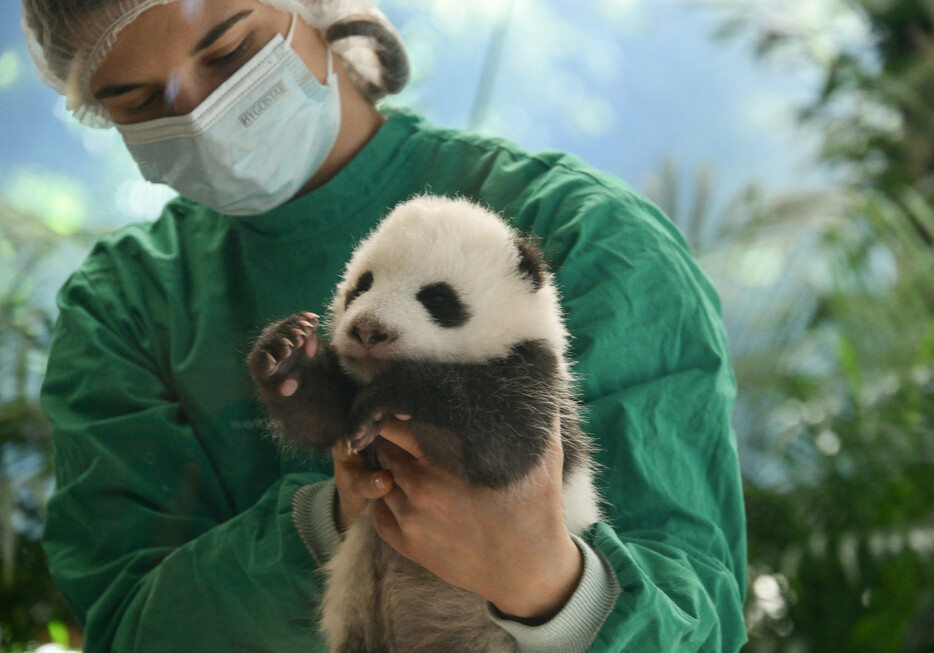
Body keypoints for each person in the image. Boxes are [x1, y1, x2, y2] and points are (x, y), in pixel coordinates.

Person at [21, 0, 748, 650]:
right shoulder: (124, 303)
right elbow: (134, 630)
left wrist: (549, 586)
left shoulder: (591, 238)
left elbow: (696, 615)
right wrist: (333, 511)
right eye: (138, 100)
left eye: (229, 52)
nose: (195, 111)